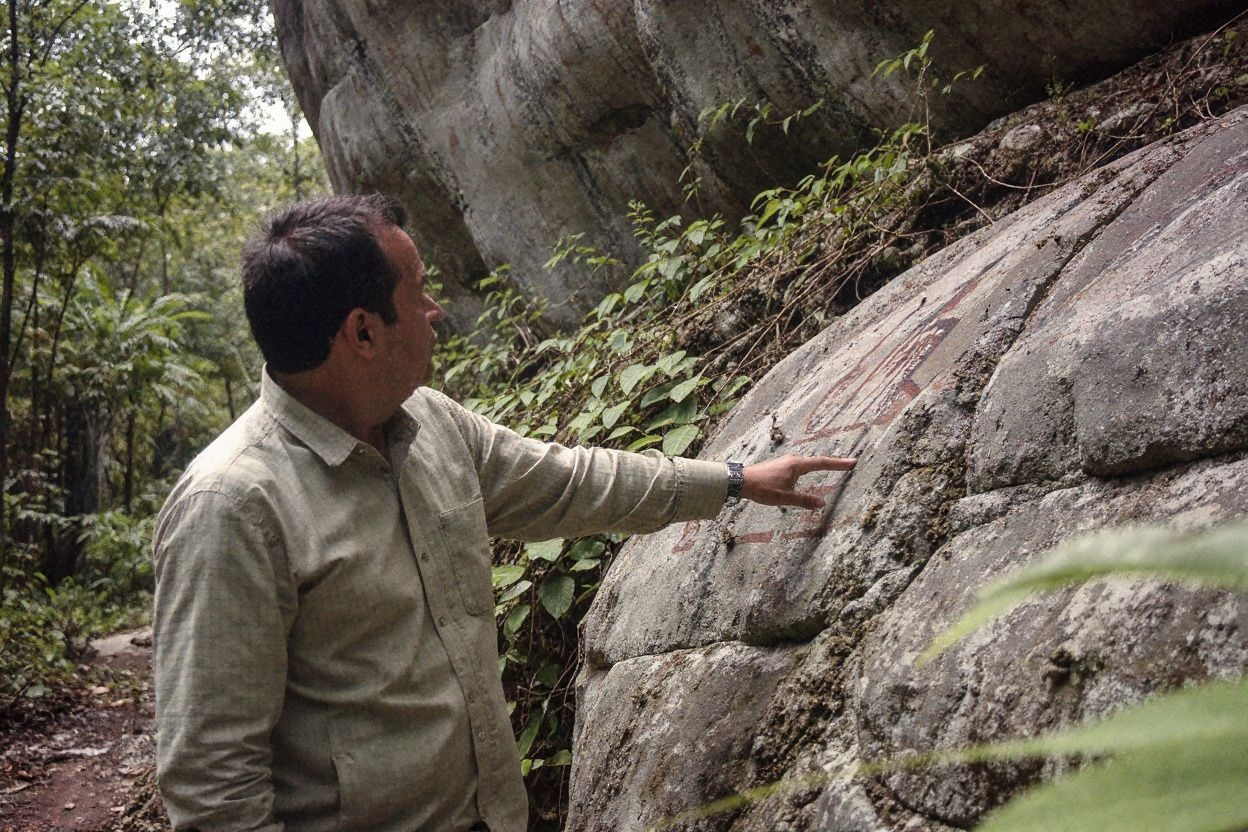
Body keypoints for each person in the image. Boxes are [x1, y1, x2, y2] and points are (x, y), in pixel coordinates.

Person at [152, 193, 856, 832]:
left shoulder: (428, 426)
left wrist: (735, 481)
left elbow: (572, 481)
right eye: (420, 291)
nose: (436, 312)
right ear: (362, 333)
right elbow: (213, 784)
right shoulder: (234, 507)